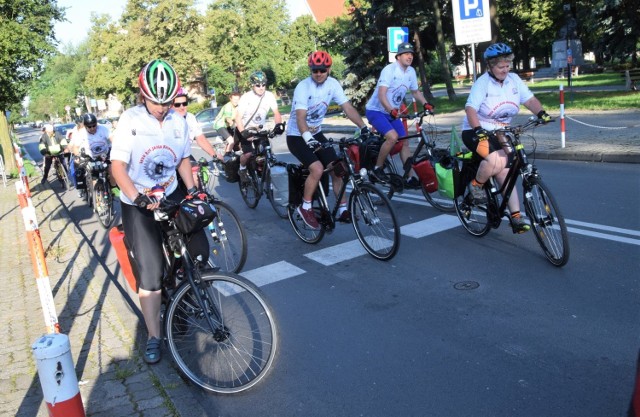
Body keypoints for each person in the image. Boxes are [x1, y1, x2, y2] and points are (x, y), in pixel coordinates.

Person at [110, 59, 210, 364]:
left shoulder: (179, 122)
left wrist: (192, 191)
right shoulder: (131, 120)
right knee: (151, 275)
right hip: (138, 202)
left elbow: (181, 159)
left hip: (169, 194)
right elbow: (117, 167)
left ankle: (182, 291)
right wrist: (138, 198)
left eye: (167, 101)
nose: (162, 107)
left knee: (200, 248)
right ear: (143, 96)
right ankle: (154, 336)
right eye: (156, 101)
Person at [461, 42, 552, 234]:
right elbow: (470, 109)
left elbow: (530, 100)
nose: (505, 70)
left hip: (502, 131)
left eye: (507, 65)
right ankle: (476, 186)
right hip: (475, 130)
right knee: (495, 159)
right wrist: (478, 129)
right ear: (490, 67)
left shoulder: (514, 80)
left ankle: (516, 217)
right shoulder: (482, 83)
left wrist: (541, 113)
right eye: (500, 66)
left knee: (506, 170)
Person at [286, 50, 370, 229]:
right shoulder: (303, 87)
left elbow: (347, 107)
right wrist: (308, 138)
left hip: (316, 133)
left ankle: (342, 208)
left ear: (329, 69)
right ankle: (306, 206)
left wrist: (363, 127)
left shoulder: (333, 84)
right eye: (315, 70)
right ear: (311, 70)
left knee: (337, 168)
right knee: (316, 169)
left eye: (322, 70)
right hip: (297, 136)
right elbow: (301, 118)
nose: (318, 74)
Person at [365, 42, 434, 185]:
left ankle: (410, 176)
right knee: (393, 137)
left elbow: (415, 91)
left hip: (392, 113)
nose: (410, 56)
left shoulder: (411, 72)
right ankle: (377, 168)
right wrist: (391, 110)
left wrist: (425, 103)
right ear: (398, 56)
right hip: (376, 110)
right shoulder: (389, 70)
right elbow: (381, 94)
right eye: (406, 54)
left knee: (405, 142)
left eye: (411, 54)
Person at [234, 70, 283, 182]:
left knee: (266, 152)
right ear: (252, 85)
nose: (261, 87)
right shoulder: (246, 97)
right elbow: (238, 117)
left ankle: (262, 171)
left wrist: (278, 125)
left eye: (263, 85)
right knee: (248, 154)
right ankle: (242, 169)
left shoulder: (269, 96)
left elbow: (276, 113)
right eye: (258, 85)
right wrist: (244, 132)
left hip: (260, 129)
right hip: (246, 128)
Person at [71, 113, 113, 198]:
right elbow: (75, 147)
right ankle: (97, 199)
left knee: (112, 170)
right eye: (89, 127)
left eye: (94, 125)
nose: (92, 128)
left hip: (105, 155)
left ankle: (112, 189)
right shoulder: (81, 133)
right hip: (90, 157)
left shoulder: (103, 129)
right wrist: (78, 156)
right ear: (85, 126)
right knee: (94, 176)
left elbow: (113, 139)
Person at [172, 88, 219, 160]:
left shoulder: (190, 117)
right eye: (177, 105)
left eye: (184, 104)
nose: (182, 107)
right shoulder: (167, 119)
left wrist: (215, 155)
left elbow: (201, 139)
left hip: (184, 156)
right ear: (171, 106)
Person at [213, 91, 241, 158]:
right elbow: (228, 119)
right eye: (234, 99)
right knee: (231, 140)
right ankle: (226, 156)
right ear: (230, 99)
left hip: (227, 126)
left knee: (237, 140)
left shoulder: (238, 106)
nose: (236, 101)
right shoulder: (228, 106)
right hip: (220, 125)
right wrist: (233, 124)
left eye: (238, 99)